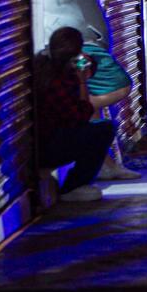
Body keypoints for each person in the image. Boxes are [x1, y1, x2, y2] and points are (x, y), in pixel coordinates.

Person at [43, 0, 140, 181]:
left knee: (96, 108)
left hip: (86, 41)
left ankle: (105, 165)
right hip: (82, 44)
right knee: (118, 85)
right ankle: (78, 108)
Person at [34, 27, 117, 202]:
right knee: (103, 130)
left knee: (97, 129)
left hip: (44, 142)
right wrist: (82, 82)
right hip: (49, 147)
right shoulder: (56, 81)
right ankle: (75, 186)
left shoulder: (46, 66)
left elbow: (90, 66)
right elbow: (81, 116)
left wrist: (85, 67)